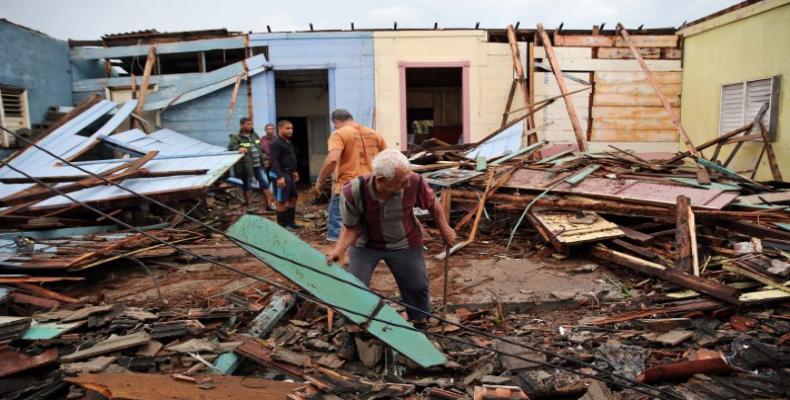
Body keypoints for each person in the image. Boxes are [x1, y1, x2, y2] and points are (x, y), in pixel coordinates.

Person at [326, 149, 456, 333]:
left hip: (405, 242)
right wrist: (339, 250)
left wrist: (445, 228)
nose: (407, 182)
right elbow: (351, 227)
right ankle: (352, 332)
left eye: (408, 177)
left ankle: (420, 323)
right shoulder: (353, 191)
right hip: (366, 245)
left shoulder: (414, 181)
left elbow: (433, 204)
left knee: (417, 286)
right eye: (401, 182)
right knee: (354, 287)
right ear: (381, 181)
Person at [314, 109, 386, 242]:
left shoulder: (339, 134)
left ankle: (337, 257)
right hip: (371, 185)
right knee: (365, 225)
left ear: (336, 122)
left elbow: (332, 160)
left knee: (337, 227)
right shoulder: (374, 134)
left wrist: (320, 180)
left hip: (347, 186)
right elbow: (385, 159)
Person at [228, 117, 275, 210]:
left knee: (265, 183)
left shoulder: (254, 135)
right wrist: (239, 148)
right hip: (246, 166)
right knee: (247, 185)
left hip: (259, 165)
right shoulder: (236, 137)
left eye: (251, 124)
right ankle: (250, 207)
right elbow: (230, 147)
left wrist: (264, 159)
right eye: (248, 124)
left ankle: (269, 205)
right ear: (242, 125)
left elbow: (260, 149)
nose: (250, 126)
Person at [270, 120, 302, 230]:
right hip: (281, 175)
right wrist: (279, 177)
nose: (290, 130)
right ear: (280, 129)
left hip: (289, 173)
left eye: (291, 128)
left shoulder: (288, 142)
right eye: (287, 128)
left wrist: (294, 171)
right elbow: (274, 160)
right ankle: (282, 227)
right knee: (281, 200)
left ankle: (291, 223)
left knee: (293, 198)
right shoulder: (275, 143)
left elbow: (289, 158)